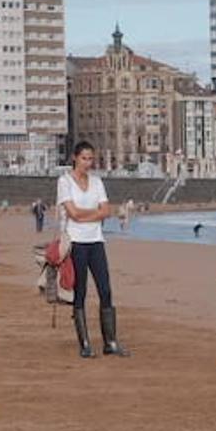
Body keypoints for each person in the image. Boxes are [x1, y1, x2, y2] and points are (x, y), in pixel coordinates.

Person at [57, 140, 127, 358]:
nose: (88, 162)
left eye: (91, 158)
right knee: (80, 291)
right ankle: (85, 343)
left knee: (105, 289)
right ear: (75, 158)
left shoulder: (97, 182)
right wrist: (92, 214)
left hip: (96, 241)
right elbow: (73, 213)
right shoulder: (65, 181)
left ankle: (110, 342)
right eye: (84, 158)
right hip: (76, 242)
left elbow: (106, 210)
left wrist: (86, 214)